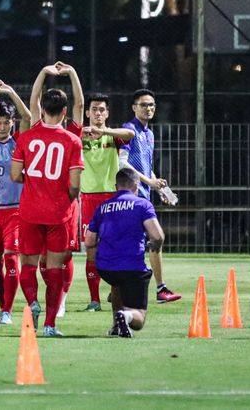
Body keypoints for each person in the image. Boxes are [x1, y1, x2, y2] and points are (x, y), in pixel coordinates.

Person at [12, 64, 84, 337]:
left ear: (41, 110)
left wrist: (42, 72)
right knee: (55, 268)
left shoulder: (28, 137)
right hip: (59, 213)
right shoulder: (72, 140)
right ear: (64, 112)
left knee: (27, 265)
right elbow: (75, 185)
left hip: (29, 211)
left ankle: (32, 302)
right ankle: (51, 325)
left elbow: (15, 175)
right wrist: (72, 73)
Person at [85, 168, 165, 337]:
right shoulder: (142, 205)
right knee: (139, 320)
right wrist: (154, 245)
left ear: (116, 186)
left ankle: (116, 325)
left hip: (106, 268)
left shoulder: (102, 207)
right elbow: (157, 235)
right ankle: (126, 315)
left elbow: (89, 241)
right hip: (133, 268)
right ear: (136, 185)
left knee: (117, 283)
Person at [119, 89, 181, 304]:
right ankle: (160, 289)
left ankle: (119, 287)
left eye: (152, 105)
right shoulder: (129, 130)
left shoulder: (149, 134)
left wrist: (161, 189)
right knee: (154, 239)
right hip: (132, 196)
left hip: (143, 196)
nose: (148, 109)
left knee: (136, 243)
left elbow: (146, 167)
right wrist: (148, 182)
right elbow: (123, 163)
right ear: (134, 107)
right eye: (144, 105)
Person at [79, 93, 135, 312]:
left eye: (102, 110)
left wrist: (105, 131)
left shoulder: (112, 136)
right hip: (88, 199)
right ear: (87, 113)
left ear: (107, 113)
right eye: (94, 109)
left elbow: (130, 134)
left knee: (113, 249)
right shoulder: (78, 135)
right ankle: (95, 300)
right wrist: (82, 131)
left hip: (111, 199)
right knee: (91, 249)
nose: (98, 113)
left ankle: (116, 293)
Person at [0, 81, 31, 325]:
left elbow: (27, 115)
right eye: (0, 122)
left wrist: (11, 92)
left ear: (12, 123)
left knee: (11, 259)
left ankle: (7, 310)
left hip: (15, 211)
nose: (3, 126)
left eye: (7, 122)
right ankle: (1, 304)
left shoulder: (19, 143)